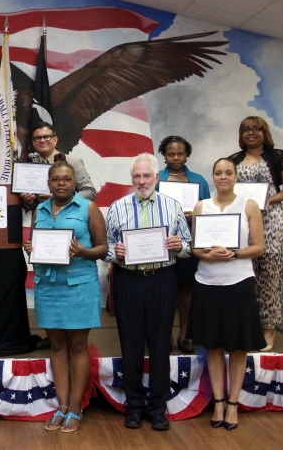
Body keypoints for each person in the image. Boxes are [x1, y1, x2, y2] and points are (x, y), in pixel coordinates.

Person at [104, 153, 191, 431]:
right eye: (137, 176)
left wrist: (179, 245)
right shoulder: (117, 207)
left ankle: (157, 407)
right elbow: (106, 246)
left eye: (146, 176)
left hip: (161, 280)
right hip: (128, 281)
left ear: (156, 177)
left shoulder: (173, 206)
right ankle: (134, 406)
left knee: (159, 346)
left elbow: (188, 245)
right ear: (132, 179)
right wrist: (114, 252)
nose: (142, 181)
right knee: (130, 346)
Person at [22, 155, 107, 433]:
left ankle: (75, 408)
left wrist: (82, 252)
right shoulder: (41, 210)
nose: (61, 183)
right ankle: (61, 406)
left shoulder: (88, 208)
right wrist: (30, 247)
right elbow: (38, 242)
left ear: (74, 182)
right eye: (56, 179)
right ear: (48, 183)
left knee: (78, 346)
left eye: (66, 179)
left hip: (79, 286)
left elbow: (103, 248)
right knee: (56, 345)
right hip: (48, 286)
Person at [187, 158, 266, 431]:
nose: (223, 177)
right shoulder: (201, 207)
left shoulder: (248, 206)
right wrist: (206, 253)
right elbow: (195, 249)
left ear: (235, 177)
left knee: (238, 345)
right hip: (207, 282)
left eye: (228, 172)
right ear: (213, 177)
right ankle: (218, 401)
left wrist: (234, 254)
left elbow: (258, 247)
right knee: (213, 345)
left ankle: (233, 403)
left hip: (239, 282)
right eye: (218, 172)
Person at [229, 116, 283, 351]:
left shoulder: (278, 157)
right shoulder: (233, 160)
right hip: (243, 221)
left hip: (271, 220)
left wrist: (269, 200)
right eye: (246, 129)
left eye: (256, 129)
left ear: (264, 132)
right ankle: (247, 326)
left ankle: (268, 328)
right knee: (245, 273)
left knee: (269, 274)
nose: (251, 133)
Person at [157, 135, 211, 354]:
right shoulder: (157, 179)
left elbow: (208, 212)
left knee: (187, 291)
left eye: (180, 153)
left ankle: (185, 334)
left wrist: (194, 217)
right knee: (165, 292)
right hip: (162, 244)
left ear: (187, 154)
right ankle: (165, 334)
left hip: (189, 243)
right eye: (171, 154)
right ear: (164, 155)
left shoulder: (199, 181)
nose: (176, 157)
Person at [20, 121, 95, 210]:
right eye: (38, 138)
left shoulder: (72, 162)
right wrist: (29, 202)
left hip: (70, 216)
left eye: (46, 137)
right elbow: (35, 203)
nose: (42, 140)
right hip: (42, 220)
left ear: (55, 139)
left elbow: (90, 191)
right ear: (33, 143)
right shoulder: (30, 167)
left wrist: (62, 199)